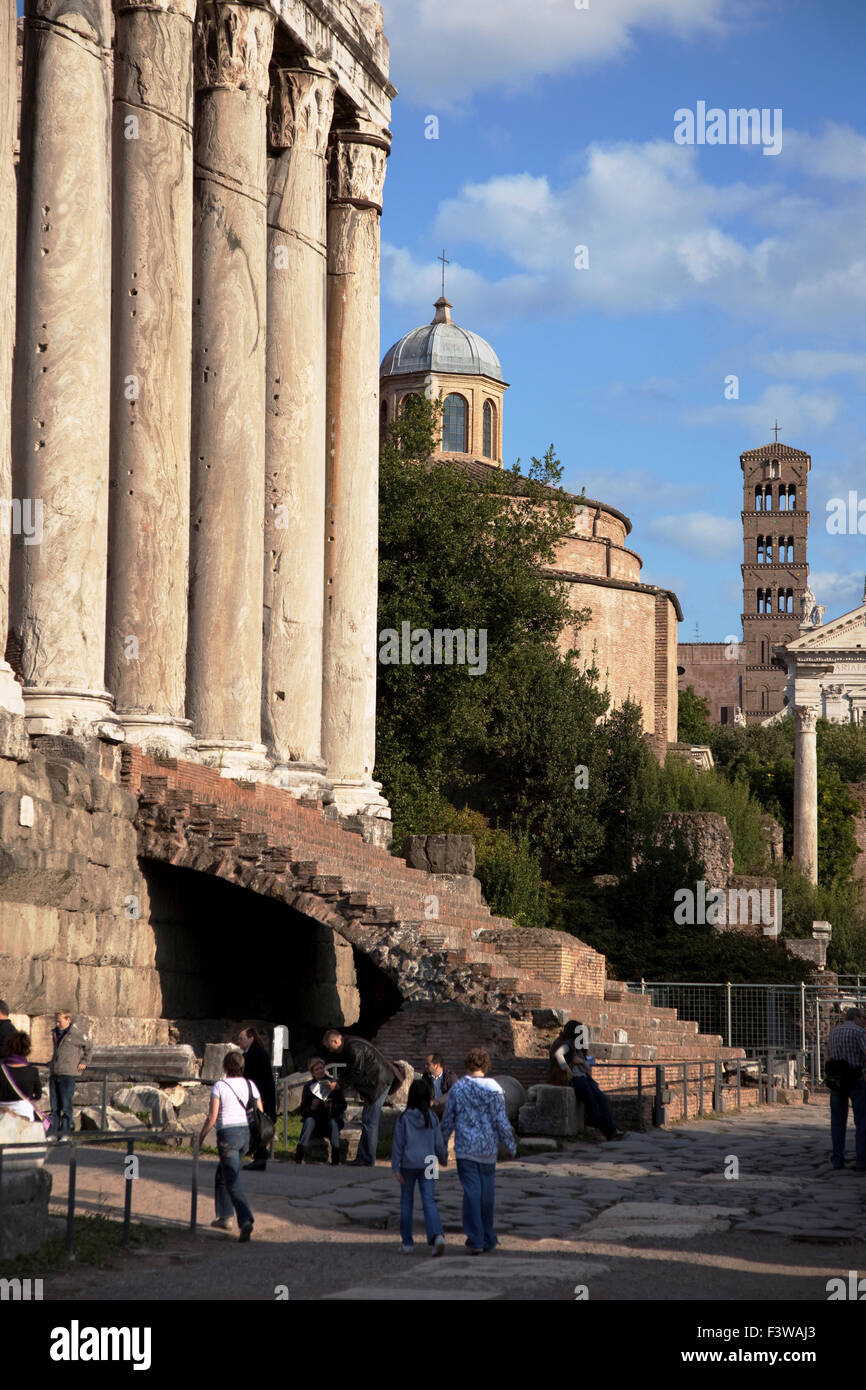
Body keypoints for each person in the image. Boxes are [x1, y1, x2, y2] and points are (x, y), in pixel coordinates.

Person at [440, 1047, 516, 1255]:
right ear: (486, 1065)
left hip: (465, 1148)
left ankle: (475, 1238)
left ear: (467, 1064)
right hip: (488, 1148)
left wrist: (441, 1146)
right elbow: (501, 1121)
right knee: (487, 1194)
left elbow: (448, 1120)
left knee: (471, 1192)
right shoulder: (494, 1088)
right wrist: (510, 1145)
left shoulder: (458, 1088)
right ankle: (488, 1236)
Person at [199, 1050, 263, 1241]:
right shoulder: (250, 1084)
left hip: (228, 1134)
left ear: (225, 1067)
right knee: (223, 1173)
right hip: (246, 1135)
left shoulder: (220, 1085)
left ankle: (244, 1219)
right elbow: (260, 1111)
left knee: (232, 1178)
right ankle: (224, 1216)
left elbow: (212, 1116)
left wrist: (201, 1136)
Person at [322, 1028, 398, 1166]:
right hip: (376, 1082)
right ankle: (362, 1157)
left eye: (329, 1046)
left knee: (370, 1123)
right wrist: (339, 1080)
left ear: (335, 1041)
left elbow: (356, 1071)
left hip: (378, 1083)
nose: (330, 1050)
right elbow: (352, 1069)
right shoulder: (350, 1045)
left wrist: (339, 1085)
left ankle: (367, 1159)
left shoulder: (353, 1047)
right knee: (367, 1121)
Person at [392, 1079, 447, 1255]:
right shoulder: (432, 1117)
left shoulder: (404, 1117)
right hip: (430, 1162)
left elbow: (398, 1144)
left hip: (409, 1162)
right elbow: (439, 1143)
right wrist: (443, 1158)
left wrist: (395, 1167)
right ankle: (437, 1235)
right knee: (429, 1200)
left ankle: (407, 1243)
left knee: (406, 1202)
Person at [550, 1020, 625, 1142]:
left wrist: (582, 1062)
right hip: (576, 1079)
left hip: (585, 1077)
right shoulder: (569, 1044)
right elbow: (558, 1054)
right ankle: (609, 1131)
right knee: (591, 1101)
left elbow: (585, 1065)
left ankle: (610, 1130)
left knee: (602, 1098)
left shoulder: (579, 1047)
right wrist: (567, 1069)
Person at [825, 1007, 866, 1171]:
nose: (864, 1021)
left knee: (837, 1122)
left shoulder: (834, 1032)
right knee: (861, 1121)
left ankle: (837, 1159)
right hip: (855, 1078)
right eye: (864, 1018)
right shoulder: (859, 1032)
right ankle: (861, 1160)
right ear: (856, 1017)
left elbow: (827, 1055)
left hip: (836, 1080)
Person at [237, 1026, 276, 1171]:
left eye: (242, 1038)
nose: (239, 1041)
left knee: (259, 1126)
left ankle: (260, 1158)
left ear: (251, 1037)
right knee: (258, 1127)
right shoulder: (253, 1053)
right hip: (259, 1095)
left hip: (260, 1097)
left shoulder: (255, 1053)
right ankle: (259, 1156)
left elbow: (253, 1077)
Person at [296, 1057, 347, 1165]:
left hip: (329, 1120)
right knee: (309, 1121)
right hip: (315, 1122)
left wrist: (331, 1106)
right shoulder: (309, 1087)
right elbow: (302, 1110)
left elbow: (343, 1104)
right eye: (317, 1069)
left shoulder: (333, 1084)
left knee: (333, 1123)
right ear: (313, 1073)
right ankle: (299, 1154)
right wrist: (312, 1108)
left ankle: (335, 1157)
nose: (320, 1071)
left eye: (321, 1068)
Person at [48, 1010, 92, 1136]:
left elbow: (89, 1047)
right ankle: (54, 1132)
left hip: (68, 1073)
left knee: (66, 1106)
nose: (57, 1024)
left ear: (68, 1020)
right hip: (55, 1071)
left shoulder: (76, 1034)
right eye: (56, 1021)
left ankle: (65, 1132)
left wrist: (84, 1061)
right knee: (54, 1106)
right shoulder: (55, 1033)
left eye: (60, 1021)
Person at [0, 1030, 44, 1122]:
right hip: (24, 1113)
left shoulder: (1, 1070)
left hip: (2, 1113)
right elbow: (38, 1095)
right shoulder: (32, 1071)